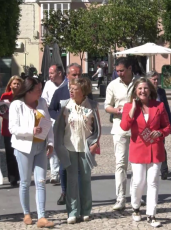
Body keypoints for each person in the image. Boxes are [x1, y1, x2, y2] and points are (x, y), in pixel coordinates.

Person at [120, 77, 171, 227]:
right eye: (140, 88)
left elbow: (168, 127)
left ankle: (151, 214)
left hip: (155, 149)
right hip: (138, 149)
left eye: (145, 88)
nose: (143, 91)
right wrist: (133, 109)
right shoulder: (129, 106)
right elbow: (124, 127)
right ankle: (135, 207)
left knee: (153, 181)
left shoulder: (159, 106)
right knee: (138, 181)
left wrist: (160, 132)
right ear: (135, 91)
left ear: (150, 91)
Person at [9, 77, 55, 228]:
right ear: (28, 91)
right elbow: (13, 128)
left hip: (40, 147)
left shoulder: (41, 102)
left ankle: (42, 216)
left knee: (41, 181)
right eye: (38, 90)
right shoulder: (17, 105)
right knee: (25, 182)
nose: (41, 92)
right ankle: (27, 213)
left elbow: (48, 124)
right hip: (23, 148)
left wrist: (50, 142)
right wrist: (30, 131)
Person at [54, 78, 101, 224]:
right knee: (72, 180)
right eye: (70, 88)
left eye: (75, 88)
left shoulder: (92, 105)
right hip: (69, 146)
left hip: (86, 147)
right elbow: (59, 128)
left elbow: (98, 128)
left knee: (86, 178)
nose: (71, 91)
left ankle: (86, 210)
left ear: (83, 90)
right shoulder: (65, 105)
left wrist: (96, 142)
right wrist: (59, 146)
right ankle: (72, 212)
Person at [49, 63, 93, 206]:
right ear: (67, 76)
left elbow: (92, 109)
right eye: (74, 74)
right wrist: (60, 118)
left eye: (79, 74)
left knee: (81, 168)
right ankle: (64, 192)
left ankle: (78, 195)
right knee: (64, 164)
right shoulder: (60, 92)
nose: (77, 77)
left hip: (81, 135)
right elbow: (51, 109)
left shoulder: (86, 92)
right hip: (65, 133)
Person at [104, 57, 138, 210]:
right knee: (120, 164)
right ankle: (121, 198)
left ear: (130, 69)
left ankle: (136, 197)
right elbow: (107, 106)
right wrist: (117, 110)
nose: (119, 74)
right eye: (117, 71)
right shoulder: (113, 85)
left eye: (122, 71)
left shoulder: (139, 83)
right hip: (119, 127)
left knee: (138, 165)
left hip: (137, 128)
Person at [42, 64, 66, 184]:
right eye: (49, 73)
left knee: (65, 146)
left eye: (52, 73)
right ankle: (54, 173)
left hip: (66, 120)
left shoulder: (67, 84)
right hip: (51, 119)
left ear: (59, 73)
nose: (50, 76)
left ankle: (65, 170)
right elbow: (43, 100)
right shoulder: (47, 84)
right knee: (52, 145)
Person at [147, 71, 171, 180]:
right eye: (154, 79)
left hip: (160, 124)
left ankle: (164, 170)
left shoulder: (161, 91)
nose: (156, 81)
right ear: (148, 80)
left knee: (161, 146)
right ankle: (149, 168)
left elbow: (166, 107)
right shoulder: (145, 91)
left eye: (157, 79)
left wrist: (170, 123)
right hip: (148, 123)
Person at [0, 76, 23, 187]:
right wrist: (6, 115)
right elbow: (0, 111)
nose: (16, 85)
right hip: (8, 128)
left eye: (18, 83)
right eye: (14, 83)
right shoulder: (5, 96)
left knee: (21, 154)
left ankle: (21, 176)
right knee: (10, 154)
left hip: (21, 128)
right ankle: (12, 178)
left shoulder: (23, 96)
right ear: (10, 85)